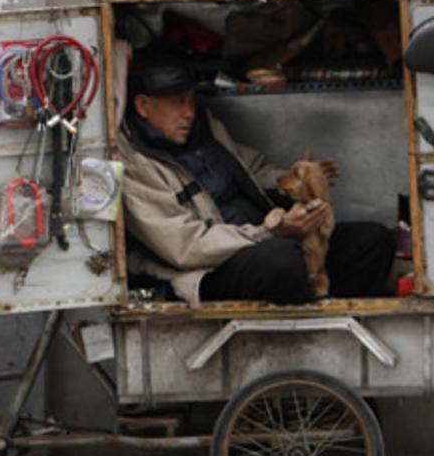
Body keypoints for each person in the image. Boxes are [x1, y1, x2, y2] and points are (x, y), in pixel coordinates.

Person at [118, 60, 396, 306]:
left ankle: (333, 324)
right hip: (211, 268)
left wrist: (295, 179)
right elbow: (187, 249)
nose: (189, 112)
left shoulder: (204, 129)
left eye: (191, 100)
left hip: (268, 238)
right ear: (143, 106)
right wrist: (271, 231)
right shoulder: (134, 165)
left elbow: (252, 169)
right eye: (178, 102)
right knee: (282, 262)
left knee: (372, 241)